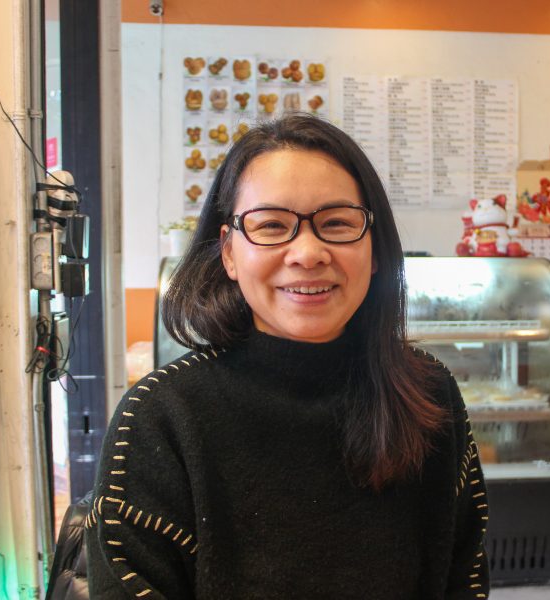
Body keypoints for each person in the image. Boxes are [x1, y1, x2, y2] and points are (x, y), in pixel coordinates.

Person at [85, 114, 489, 599]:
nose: (307, 252)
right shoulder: (161, 416)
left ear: (375, 250)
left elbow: (465, 578)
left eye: (337, 223)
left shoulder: (429, 393)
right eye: (272, 225)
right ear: (229, 253)